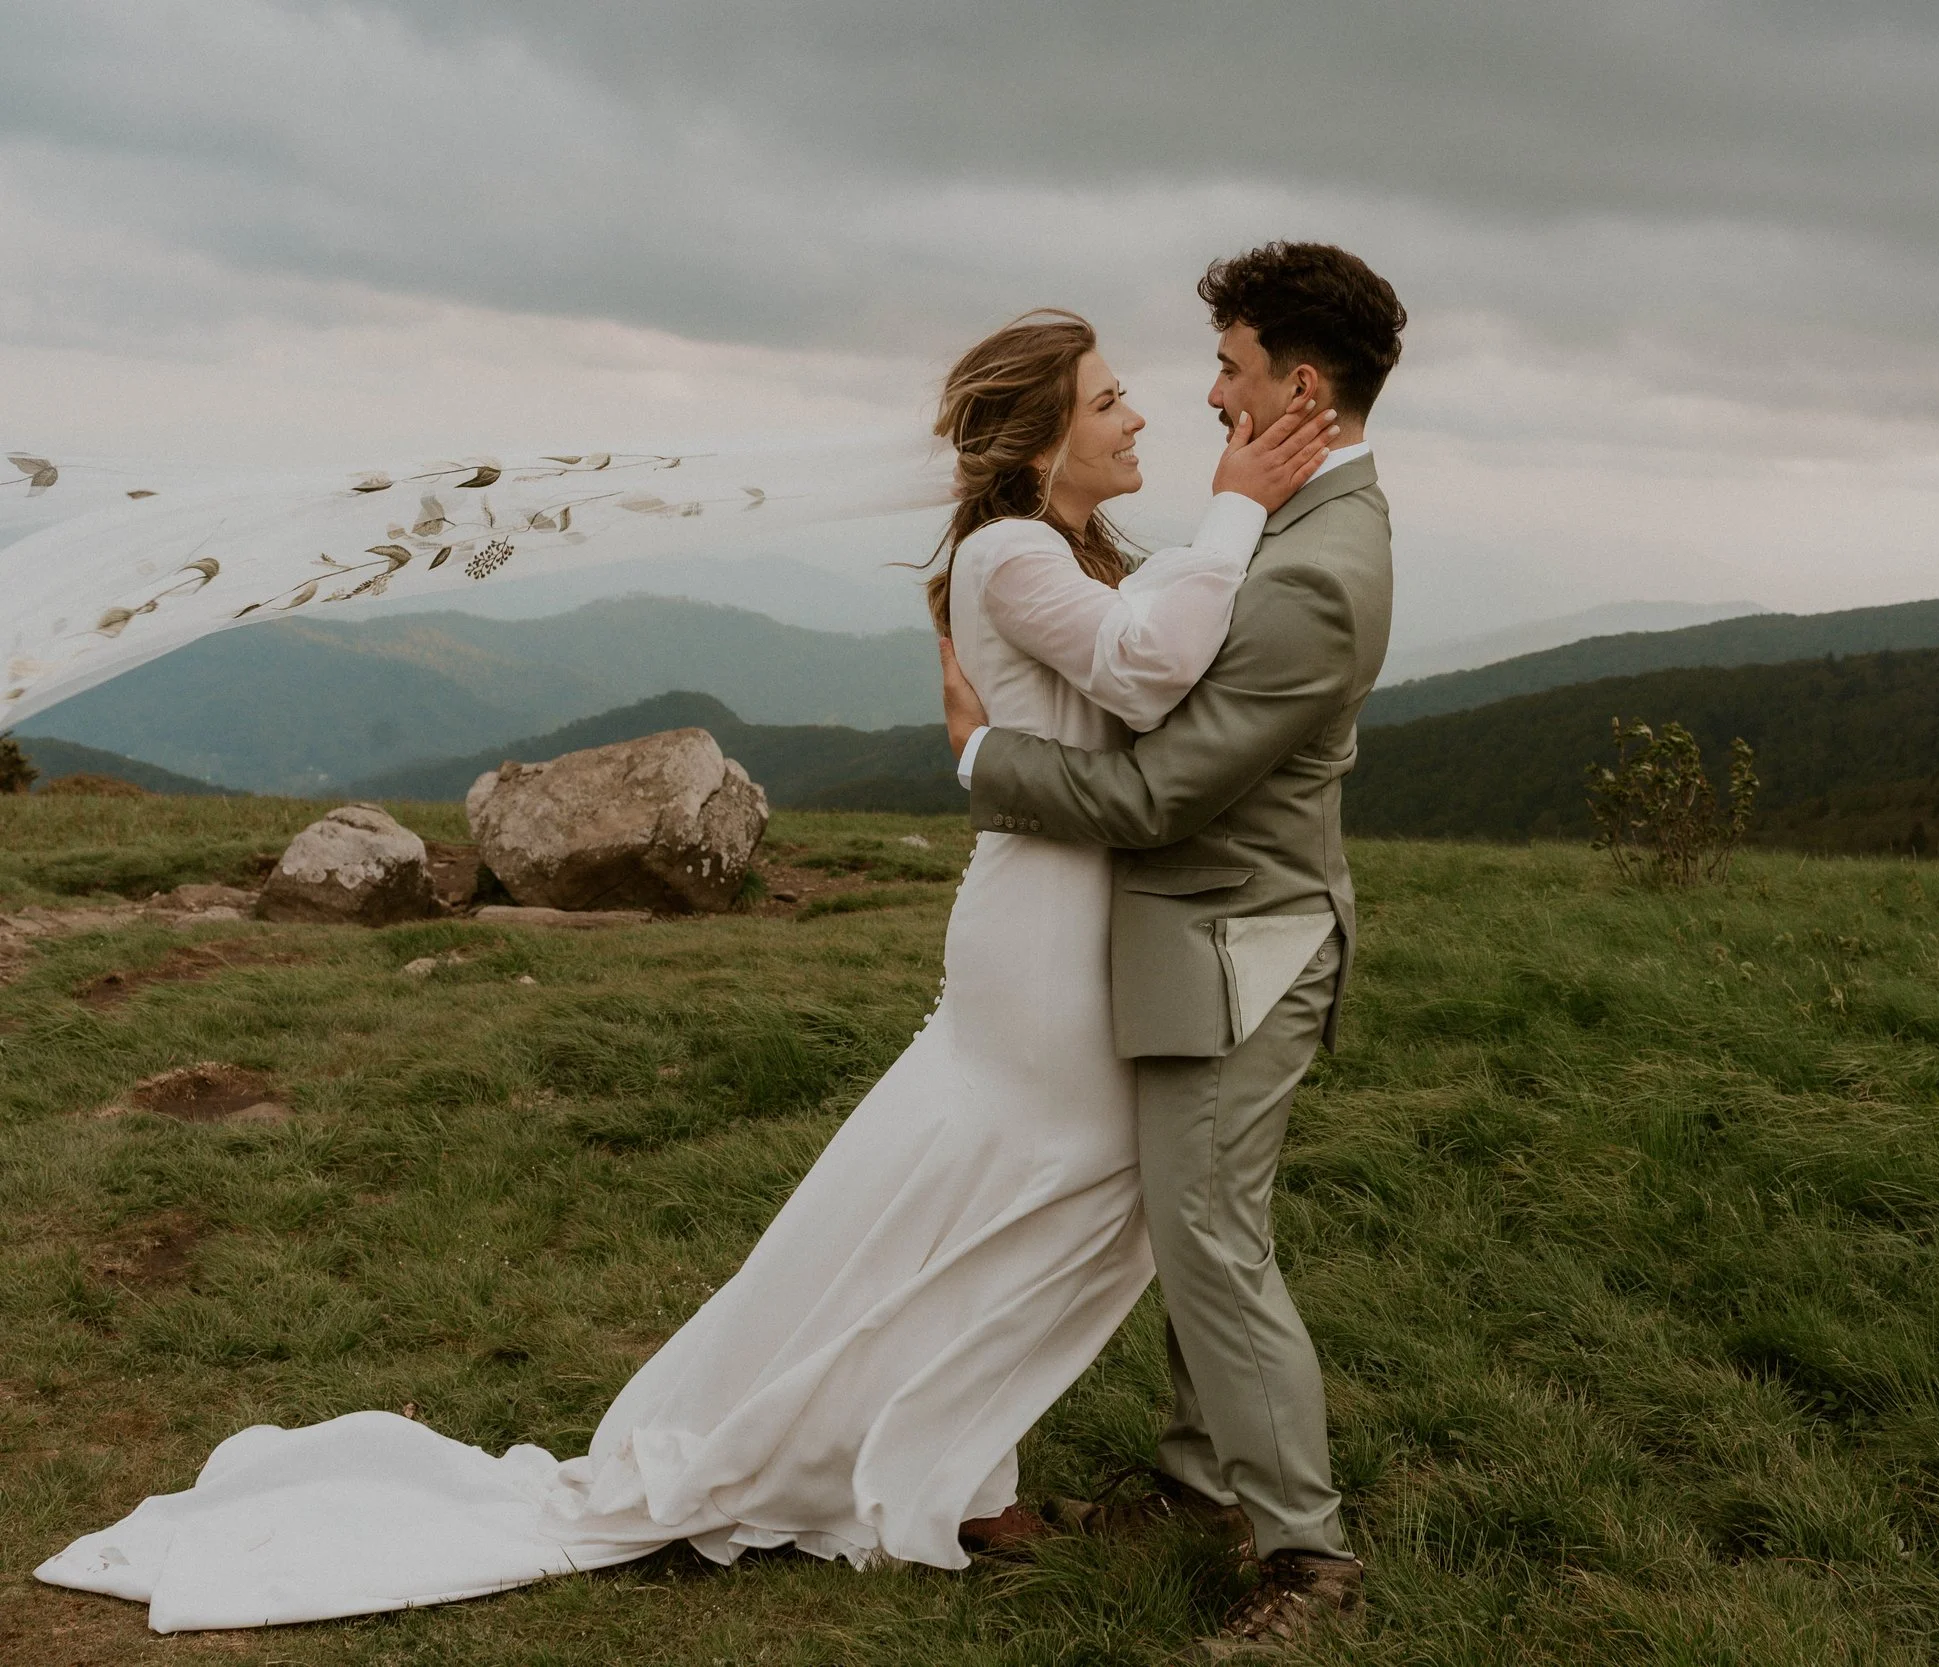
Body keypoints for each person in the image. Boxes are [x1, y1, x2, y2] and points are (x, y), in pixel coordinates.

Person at [35, 301, 1342, 1636]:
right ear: (1040, 434)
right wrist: (1236, 511)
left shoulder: (1055, 544)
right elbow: (1151, 666)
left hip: (1076, 911)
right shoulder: (1012, 549)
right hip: (1046, 937)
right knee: (1042, 1190)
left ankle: (943, 1456)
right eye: (1111, 397)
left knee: (1002, 1197)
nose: (1139, 418)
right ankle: (885, 1448)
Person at [944, 240, 1403, 1654]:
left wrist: (985, 760)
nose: (1209, 394)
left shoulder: (1315, 570)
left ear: (1299, 386)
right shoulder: (1284, 523)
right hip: (1209, 932)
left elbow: (1154, 794)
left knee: (1209, 1235)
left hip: (1238, 943)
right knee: (1203, 1229)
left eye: (1229, 367)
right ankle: (1201, 1490)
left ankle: (1308, 1561)